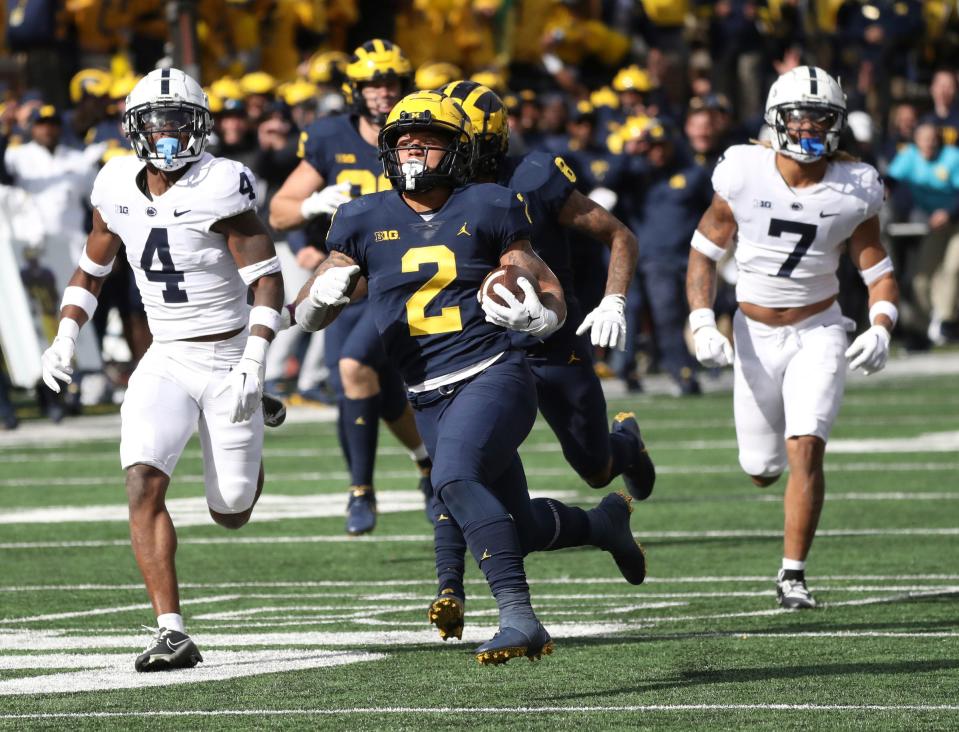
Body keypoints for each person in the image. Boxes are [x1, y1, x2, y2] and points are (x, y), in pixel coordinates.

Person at [294, 91, 647, 664]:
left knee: (452, 479)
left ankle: (519, 616)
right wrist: (314, 304)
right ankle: (603, 524)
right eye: (403, 142)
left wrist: (543, 316)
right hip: (426, 394)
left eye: (426, 143)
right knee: (523, 527)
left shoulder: (489, 204)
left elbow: (543, 281)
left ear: (456, 150)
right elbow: (307, 306)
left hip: (493, 373)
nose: (412, 153)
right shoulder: (359, 217)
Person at [39, 68, 285, 670]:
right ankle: (170, 630)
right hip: (166, 356)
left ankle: (257, 415)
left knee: (230, 511)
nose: (169, 134)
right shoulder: (113, 182)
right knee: (142, 480)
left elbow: (267, 281)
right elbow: (92, 269)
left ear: (200, 125)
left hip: (228, 354)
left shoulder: (222, 183)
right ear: (135, 128)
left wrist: (254, 361)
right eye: (158, 122)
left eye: (181, 121)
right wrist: (65, 334)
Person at [419, 79, 654, 643]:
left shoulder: (535, 176)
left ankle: (625, 448)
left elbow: (617, 234)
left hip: (552, 345)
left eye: (456, 139)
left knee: (595, 468)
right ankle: (450, 585)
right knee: (460, 465)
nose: (442, 151)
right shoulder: (434, 190)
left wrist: (613, 298)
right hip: (482, 355)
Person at [685, 66, 899, 609]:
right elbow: (705, 252)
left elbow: (878, 272)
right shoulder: (742, 170)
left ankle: (792, 574)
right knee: (760, 470)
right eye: (798, 117)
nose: (808, 128)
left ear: (837, 123)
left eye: (820, 118)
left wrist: (881, 325)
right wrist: (702, 320)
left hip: (818, 329)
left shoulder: (856, 185)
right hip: (754, 333)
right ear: (775, 121)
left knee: (806, 445)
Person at [270, 39, 431, 535]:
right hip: (348, 283)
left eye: (390, 82)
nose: (382, 92)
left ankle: (362, 489)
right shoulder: (328, 136)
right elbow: (279, 210)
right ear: (354, 89)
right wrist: (314, 206)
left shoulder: (424, 128)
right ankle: (424, 466)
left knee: (354, 369)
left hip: (409, 278)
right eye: (372, 83)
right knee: (368, 391)